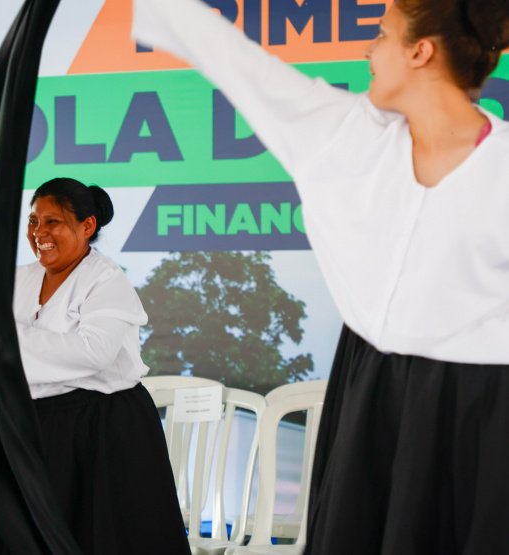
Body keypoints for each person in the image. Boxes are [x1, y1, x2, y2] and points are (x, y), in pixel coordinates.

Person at [133, 0, 509, 553]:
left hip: (481, 410)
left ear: (420, 51)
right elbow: (232, 58)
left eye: (381, 35)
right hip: (368, 397)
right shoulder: (342, 135)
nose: (368, 51)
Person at [0, 177, 191, 554]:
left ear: (87, 226)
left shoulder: (107, 280)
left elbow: (92, 353)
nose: (39, 233)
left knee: (96, 541)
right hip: (30, 425)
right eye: (33, 221)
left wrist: (2, 340)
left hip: (101, 429)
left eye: (53, 222)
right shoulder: (17, 278)